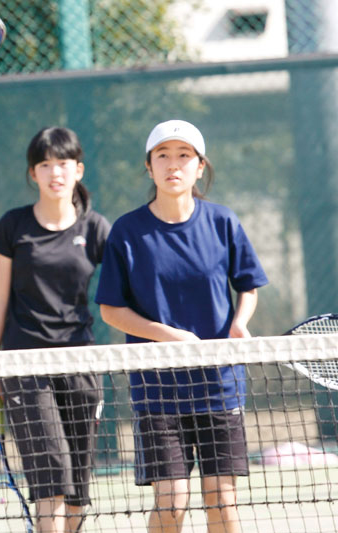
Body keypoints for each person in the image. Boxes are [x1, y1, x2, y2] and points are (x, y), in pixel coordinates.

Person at [94, 120, 268, 533]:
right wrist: (170, 336)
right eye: (163, 156)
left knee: (222, 503)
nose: (174, 165)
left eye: (184, 156)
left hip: (219, 386)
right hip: (157, 392)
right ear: (149, 167)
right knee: (171, 503)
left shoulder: (223, 222)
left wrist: (240, 323)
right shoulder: (127, 232)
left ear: (200, 166)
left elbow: (248, 288)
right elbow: (111, 310)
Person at [0, 126, 111, 533]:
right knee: (51, 481)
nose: (54, 172)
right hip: (26, 367)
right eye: (44, 164)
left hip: (81, 366)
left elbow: (124, 293)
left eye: (63, 163)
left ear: (78, 169)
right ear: (32, 173)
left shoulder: (96, 229)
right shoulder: (12, 226)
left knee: (77, 492)